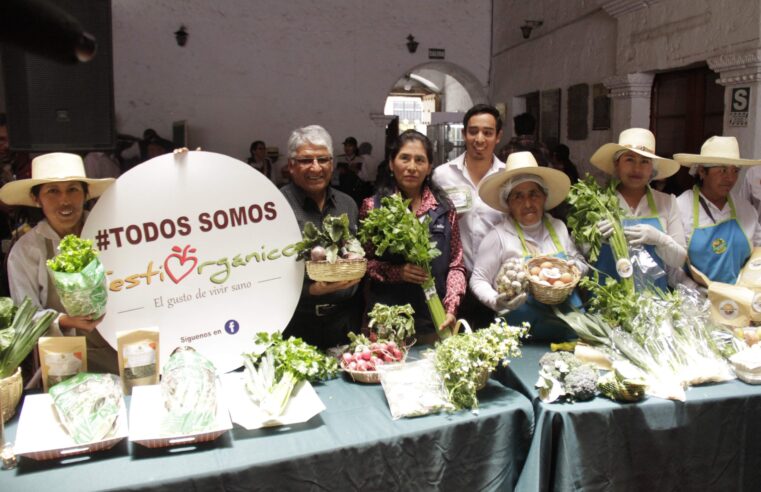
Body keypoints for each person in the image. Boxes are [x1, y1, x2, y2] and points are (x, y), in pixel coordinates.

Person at [0, 152, 118, 373]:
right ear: (37, 199)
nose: (64, 200)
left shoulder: (113, 232)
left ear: (85, 194)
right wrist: (68, 321)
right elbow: (25, 317)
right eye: (52, 191)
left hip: (121, 351)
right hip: (63, 361)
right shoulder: (25, 251)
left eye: (73, 189)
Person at [361, 130, 465, 343]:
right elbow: (363, 264)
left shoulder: (444, 208)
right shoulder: (373, 207)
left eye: (420, 160)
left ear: (429, 168)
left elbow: (456, 264)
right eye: (404, 158)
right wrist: (397, 272)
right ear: (391, 163)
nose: (411, 167)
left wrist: (451, 306)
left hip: (435, 322)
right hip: (388, 322)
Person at [471, 151, 586, 341]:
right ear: (508, 202)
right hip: (521, 338)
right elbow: (478, 279)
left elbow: (579, 261)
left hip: (567, 331)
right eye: (518, 196)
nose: (527, 203)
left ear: (544, 197)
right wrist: (496, 301)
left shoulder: (559, 227)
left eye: (534, 194)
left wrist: (573, 271)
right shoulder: (498, 236)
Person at [280, 125, 361, 349]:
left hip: (345, 325)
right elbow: (268, 273)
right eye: (306, 160)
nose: (316, 167)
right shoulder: (277, 207)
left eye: (323, 159)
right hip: (296, 326)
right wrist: (310, 290)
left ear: (332, 164)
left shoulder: (348, 204)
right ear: (291, 165)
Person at [432, 104, 504, 328]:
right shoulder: (442, 175)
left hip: (498, 282)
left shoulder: (507, 177)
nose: (479, 139)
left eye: (487, 132)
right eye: (473, 131)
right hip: (455, 282)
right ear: (464, 134)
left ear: (498, 137)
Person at [588, 128, 686, 291]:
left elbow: (679, 259)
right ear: (616, 165)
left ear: (652, 169)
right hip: (605, 301)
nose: (637, 169)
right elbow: (581, 258)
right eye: (629, 159)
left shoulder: (667, 203)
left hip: (653, 303)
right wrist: (594, 241)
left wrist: (660, 239)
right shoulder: (597, 202)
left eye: (645, 161)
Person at [673, 136, 761, 285]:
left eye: (735, 171)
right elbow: (673, 264)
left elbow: (758, 252)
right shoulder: (681, 207)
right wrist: (694, 290)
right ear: (702, 171)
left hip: (738, 297)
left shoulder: (745, 209)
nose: (730, 178)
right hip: (694, 298)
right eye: (722, 170)